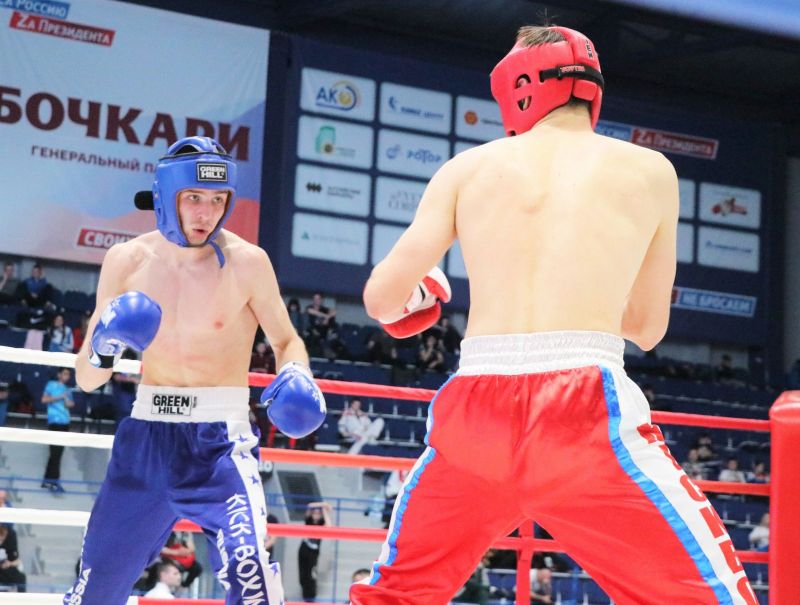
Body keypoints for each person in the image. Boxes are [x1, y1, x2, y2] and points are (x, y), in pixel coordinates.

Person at [352, 25, 755, 605]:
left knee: (398, 594)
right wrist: (590, 294)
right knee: (708, 597)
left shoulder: (468, 168)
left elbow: (380, 300)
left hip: (474, 410)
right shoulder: (650, 170)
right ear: (591, 89)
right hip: (584, 410)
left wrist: (422, 297)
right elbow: (647, 328)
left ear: (515, 88)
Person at [63, 136, 327, 605]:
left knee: (251, 580)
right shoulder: (126, 261)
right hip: (146, 438)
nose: (207, 213)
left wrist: (297, 372)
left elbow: (288, 341)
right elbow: (87, 379)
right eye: (194, 198)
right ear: (167, 196)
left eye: (218, 200)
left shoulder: (248, 262)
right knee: (95, 591)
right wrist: (105, 344)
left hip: (219, 443)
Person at [41, 367, 74, 493]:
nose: (67, 376)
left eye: (68, 374)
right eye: (65, 373)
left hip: (65, 422)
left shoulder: (67, 389)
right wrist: (60, 397)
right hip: (54, 422)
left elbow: (70, 404)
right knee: (54, 452)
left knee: (58, 453)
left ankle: (47, 481)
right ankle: (54, 481)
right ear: (59, 374)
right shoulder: (51, 384)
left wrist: (66, 399)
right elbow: (44, 399)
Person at [298, 501, 332, 602]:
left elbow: (329, 527)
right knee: (303, 574)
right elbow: (309, 506)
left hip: (313, 552)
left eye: (318, 513)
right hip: (304, 549)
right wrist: (323, 504)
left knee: (311, 574)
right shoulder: (308, 520)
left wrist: (324, 510)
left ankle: (311, 598)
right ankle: (305, 598)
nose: (316, 514)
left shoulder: (322, 523)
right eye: (315, 512)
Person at [0, 524, 25, 592]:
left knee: (21, 578)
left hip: (5, 569)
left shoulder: (9, 544)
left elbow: (18, 561)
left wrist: (10, 563)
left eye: (2, 539)